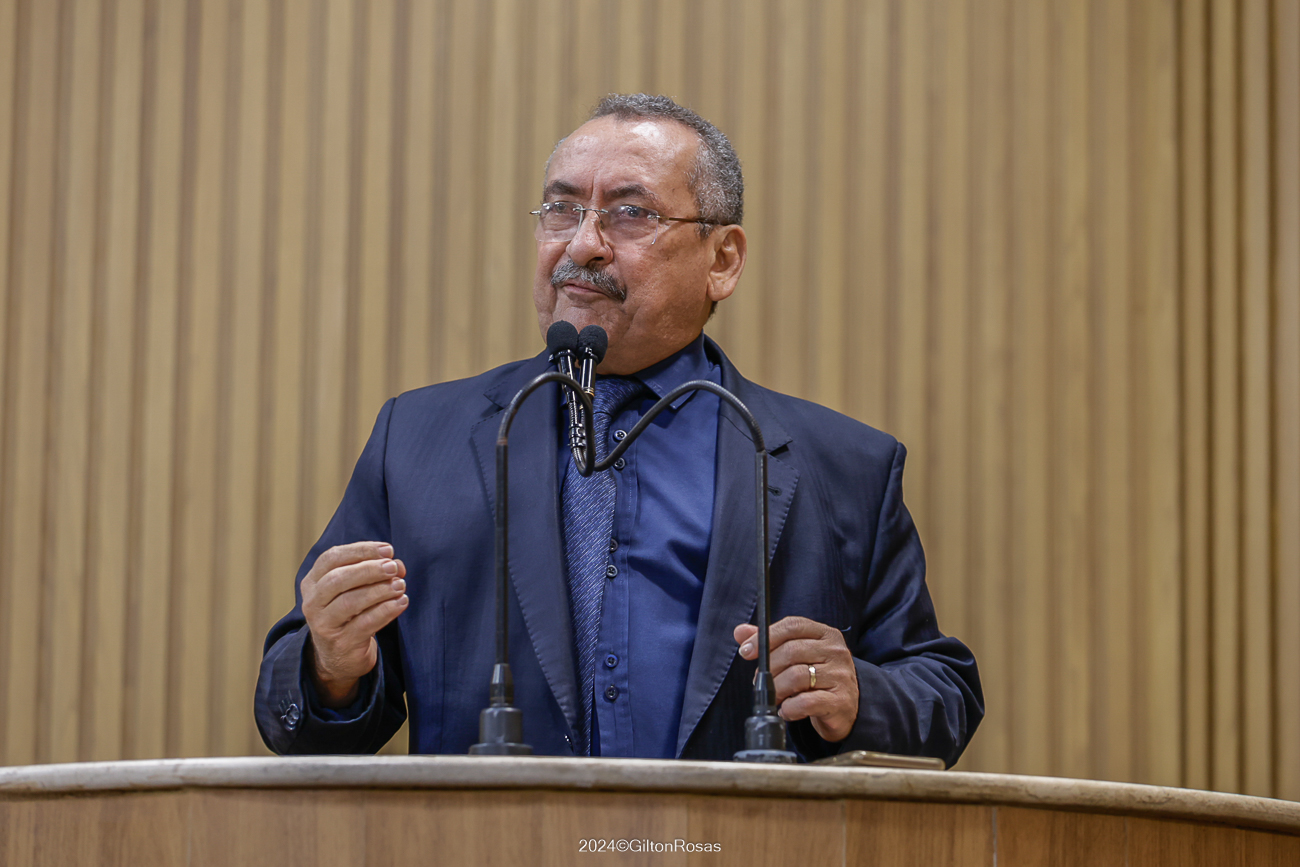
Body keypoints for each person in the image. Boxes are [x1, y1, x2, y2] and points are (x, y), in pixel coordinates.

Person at [255, 94, 983, 764]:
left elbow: (943, 693)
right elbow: (298, 714)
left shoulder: (845, 465)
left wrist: (857, 696)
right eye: (561, 209)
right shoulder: (419, 441)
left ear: (723, 260)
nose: (583, 244)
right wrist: (331, 666)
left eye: (630, 213)